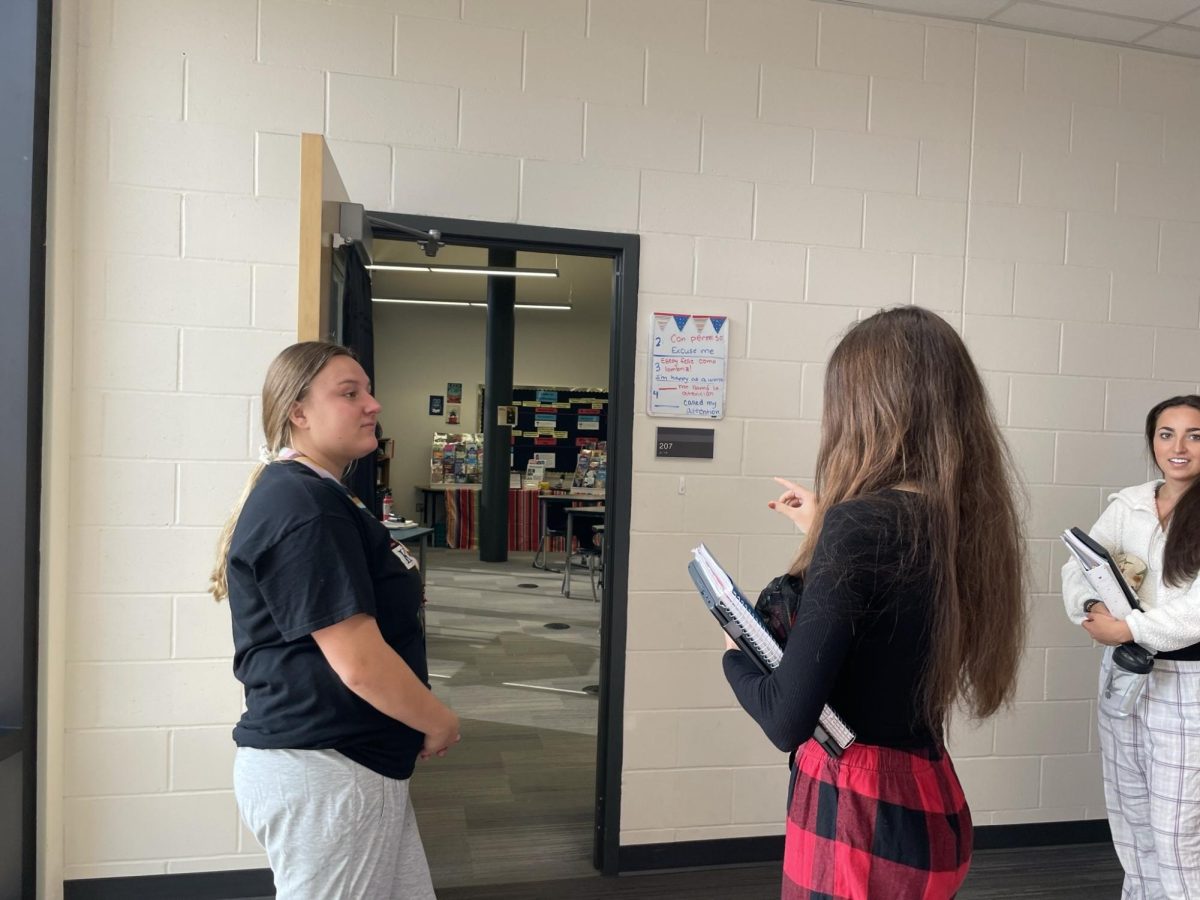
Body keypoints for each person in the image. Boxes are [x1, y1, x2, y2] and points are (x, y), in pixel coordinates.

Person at [722, 306, 1027, 899]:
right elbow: (897, 610)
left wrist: (734, 649)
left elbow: (787, 718)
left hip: (857, 815)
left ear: (867, 409)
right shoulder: (966, 519)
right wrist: (823, 533)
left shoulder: (860, 527)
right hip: (927, 798)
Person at [209, 341, 459, 900]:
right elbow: (360, 663)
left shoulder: (320, 495)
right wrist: (438, 719)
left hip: (352, 765)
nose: (371, 404)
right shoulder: (304, 506)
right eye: (350, 393)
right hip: (327, 770)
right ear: (298, 412)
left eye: (368, 390)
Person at [1062, 394, 1200, 899]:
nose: (1178, 447)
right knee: (1132, 819)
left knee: (1178, 832)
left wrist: (1130, 628)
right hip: (1125, 674)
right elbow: (1078, 567)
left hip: (1187, 687)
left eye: (1195, 435)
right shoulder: (1130, 503)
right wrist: (1090, 608)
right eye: (1167, 434)